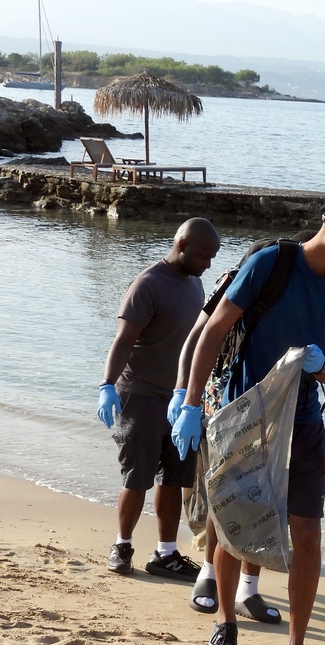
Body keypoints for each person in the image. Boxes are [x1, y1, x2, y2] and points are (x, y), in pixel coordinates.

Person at [171, 196, 325, 645]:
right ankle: (224, 629)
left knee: (307, 535)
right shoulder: (270, 263)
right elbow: (212, 331)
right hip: (245, 418)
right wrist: (189, 402)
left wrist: (321, 366)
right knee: (234, 524)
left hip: (305, 423)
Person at [169, 232, 316, 626]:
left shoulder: (315, 290)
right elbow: (197, 338)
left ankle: (248, 588)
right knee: (226, 494)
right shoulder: (239, 278)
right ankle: (208, 574)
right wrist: (184, 395)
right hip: (226, 400)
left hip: (277, 408)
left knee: (264, 499)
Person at [96, 217, 221, 583]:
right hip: (142, 395)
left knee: (174, 478)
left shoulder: (195, 284)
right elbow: (123, 340)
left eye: (212, 257)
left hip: (181, 402)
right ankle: (122, 545)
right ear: (181, 245)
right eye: (203, 255)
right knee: (138, 477)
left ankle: (165, 553)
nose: (208, 264)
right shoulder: (147, 285)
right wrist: (106, 384)